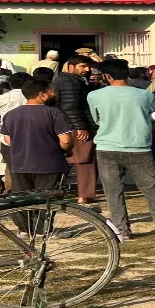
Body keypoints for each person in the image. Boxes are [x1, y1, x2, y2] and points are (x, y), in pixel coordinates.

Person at [88, 61, 155, 239]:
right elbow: (153, 116)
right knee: (152, 188)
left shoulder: (94, 95)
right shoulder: (145, 95)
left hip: (107, 146)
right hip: (139, 145)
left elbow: (96, 119)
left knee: (113, 190)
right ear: (128, 75)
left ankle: (121, 230)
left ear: (107, 76)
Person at [2, 79, 74, 193]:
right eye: (52, 91)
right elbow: (66, 141)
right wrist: (67, 150)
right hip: (49, 165)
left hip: (20, 165)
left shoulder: (10, 114)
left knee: (24, 203)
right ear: (42, 94)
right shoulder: (54, 113)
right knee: (47, 203)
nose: (54, 94)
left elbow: (8, 140)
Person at [53, 55, 99, 205]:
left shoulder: (66, 80)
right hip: (76, 127)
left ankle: (55, 191)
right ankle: (84, 195)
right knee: (85, 161)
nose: (87, 70)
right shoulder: (70, 82)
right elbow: (70, 106)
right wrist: (80, 127)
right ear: (71, 67)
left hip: (64, 125)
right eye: (82, 66)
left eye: (88, 67)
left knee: (64, 161)